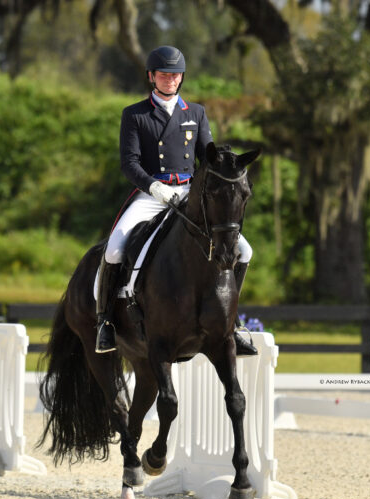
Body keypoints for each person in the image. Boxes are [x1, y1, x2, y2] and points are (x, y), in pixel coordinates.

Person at [95, 45, 256, 356]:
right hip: (151, 194)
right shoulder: (135, 114)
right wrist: (155, 188)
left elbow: (207, 156)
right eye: (164, 75)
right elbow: (129, 163)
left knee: (244, 250)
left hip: (188, 194)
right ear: (152, 77)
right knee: (115, 249)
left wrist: (227, 163)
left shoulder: (195, 113)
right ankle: (106, 323)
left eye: (175, 75)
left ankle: (231, 322)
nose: (170, 79)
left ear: (181, 78)